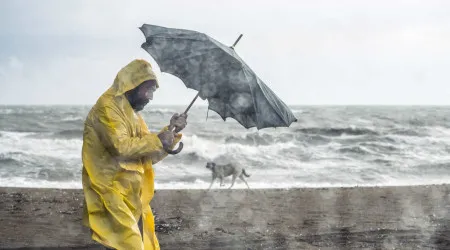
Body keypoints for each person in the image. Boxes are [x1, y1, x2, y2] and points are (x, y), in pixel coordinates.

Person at [81, 59, 187, 250]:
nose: (150, 97)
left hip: (131, 193)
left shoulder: (131, 114)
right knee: (131, 245)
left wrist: (171, 131)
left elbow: (146, 156)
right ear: (132, 85)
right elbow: (120, 148)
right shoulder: (107, 108)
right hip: (109, 191)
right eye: (148, 90)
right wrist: (158, 140)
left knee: (142, 244)